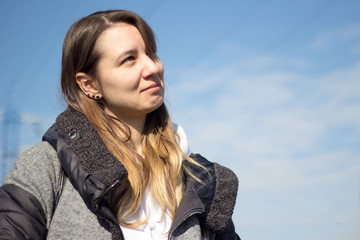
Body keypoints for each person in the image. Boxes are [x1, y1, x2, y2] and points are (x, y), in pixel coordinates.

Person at [0, 10, 240, 240]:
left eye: (151, 54)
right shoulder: (47, 166)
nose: (152, 67)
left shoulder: (200, 180)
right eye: (129, 59)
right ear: (89, 85)